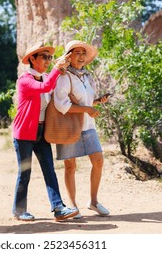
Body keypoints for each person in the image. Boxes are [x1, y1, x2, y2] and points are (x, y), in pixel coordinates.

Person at [12, 42, 79, 222]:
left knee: (49, 169)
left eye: (50, 57)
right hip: (24, 133)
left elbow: (54, 88)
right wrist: (57, 69)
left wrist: (61, 70)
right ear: (32, 59)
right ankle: (19, 210)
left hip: (41, 131)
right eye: (44, 57)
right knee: (25, 173)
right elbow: (46, 88)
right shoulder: (25, 80)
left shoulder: (47, 76)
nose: (48, 60)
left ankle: (58, 208)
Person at [53, 40, 110, 219]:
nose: (81, 56)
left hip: (88, 126)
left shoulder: (86, 76)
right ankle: (73, 206)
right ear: (68, 57)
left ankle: (93, 201)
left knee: (98, 161)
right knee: (70, 166)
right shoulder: (63, 77)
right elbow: (61, 105)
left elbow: (84, 102)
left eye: (83, 53)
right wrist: (87, 109)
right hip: (69, 127)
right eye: (77, 53)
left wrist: (97, 102)